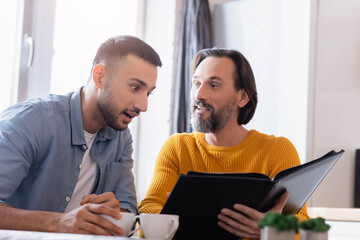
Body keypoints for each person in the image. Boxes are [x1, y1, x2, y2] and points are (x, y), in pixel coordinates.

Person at [138, 48, 309, 239]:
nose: (198, 94)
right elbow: (148, 207)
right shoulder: (177, 147)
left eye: (214, 85)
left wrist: (274, 230)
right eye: (196, 83)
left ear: (243, 97)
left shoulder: (277, 149)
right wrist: (178, 218)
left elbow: (302, 221)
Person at [0, 35, 162, 235]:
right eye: (135, 87)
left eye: (148, 93)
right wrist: (57, 222)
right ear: (100, 76)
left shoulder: (121, 137)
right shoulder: (31, 122)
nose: (143, 106)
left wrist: (115, 213)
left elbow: (127, 207)